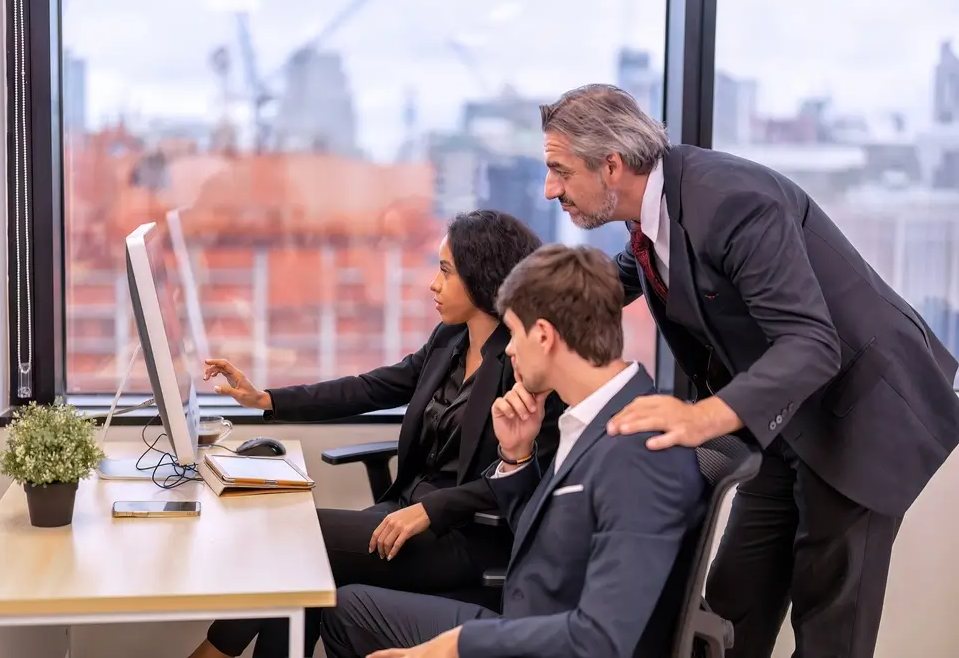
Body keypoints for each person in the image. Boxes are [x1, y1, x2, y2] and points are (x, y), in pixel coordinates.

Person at [536, 83, 959, 658]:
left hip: (860, 414)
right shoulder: (658, 212)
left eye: (559, 171)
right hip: (784, 418)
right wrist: (530, 317)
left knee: (829, 629)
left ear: (611, 165)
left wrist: (701, 417)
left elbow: (812, 343)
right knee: (733, 608)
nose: (550, 189)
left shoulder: (730, 201)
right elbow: (627, 275)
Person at [185, 210, 564, 658]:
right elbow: (369, 388)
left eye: (446, 272)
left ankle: (211, 653)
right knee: (305, 568)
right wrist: (267, 399)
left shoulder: (526, 364)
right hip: (403, 510)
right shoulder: (449, 340)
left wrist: (432, 509)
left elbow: (529, 475)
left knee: (294, 538)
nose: (433, 284)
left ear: (482, 277)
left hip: (463, 534)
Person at [318, 244, 708, 658]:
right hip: (529, 616)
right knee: (346, 610)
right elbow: (552, 537)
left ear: (543, 335)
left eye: (514, 333)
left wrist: (458, 644)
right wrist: (516, 457)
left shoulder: (641, 450)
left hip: (549, 638)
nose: (508, 349)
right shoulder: (590, 416)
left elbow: (603, 638)